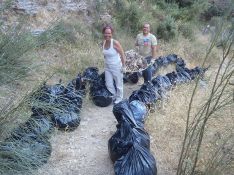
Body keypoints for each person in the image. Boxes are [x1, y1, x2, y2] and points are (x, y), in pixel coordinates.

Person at [102, 25, 126, 104]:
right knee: (108, 83)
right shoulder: (104, 42)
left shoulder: (115, 43)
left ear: (112, 34)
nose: (107, 35)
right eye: (105, 33)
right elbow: (105, 54)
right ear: (103, 33)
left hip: (116, 66)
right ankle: (114, 95)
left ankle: (119, 98)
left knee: (119, 83)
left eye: (109, 33)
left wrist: (124, 66)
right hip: (107, 67)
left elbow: (122, 54)